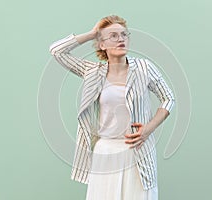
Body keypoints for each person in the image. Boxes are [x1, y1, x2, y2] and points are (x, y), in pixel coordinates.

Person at [49, 15, 174, 200]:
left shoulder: (144, 68)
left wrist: (149, 128)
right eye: (113, 36)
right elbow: (57, 51)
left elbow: (168, 98)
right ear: (102, 44)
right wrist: (93, 34)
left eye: (124, 34)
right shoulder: (92, 71)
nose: (121, 39)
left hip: (138, 151)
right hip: (106, 152)